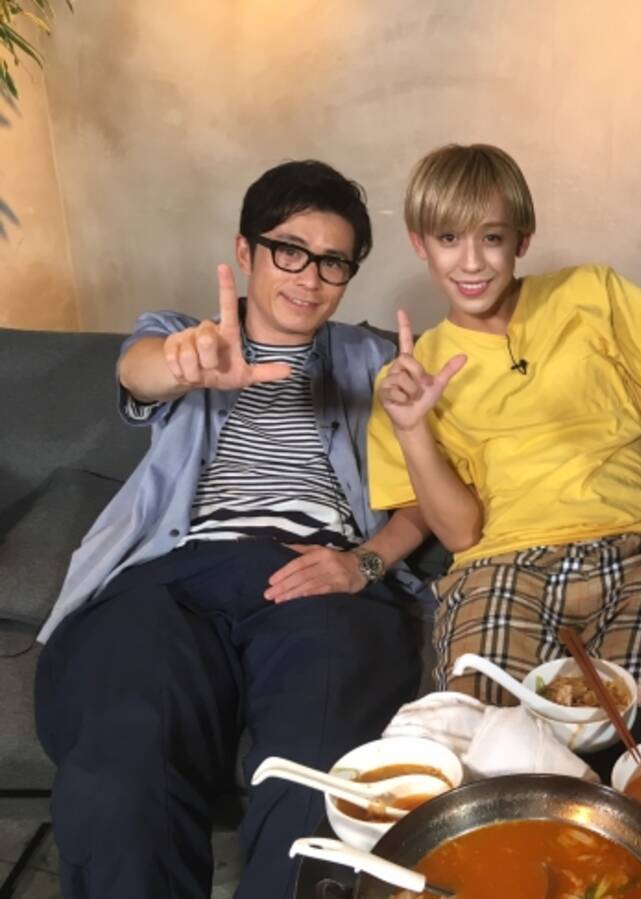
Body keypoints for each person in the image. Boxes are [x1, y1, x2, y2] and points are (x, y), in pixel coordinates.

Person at [34, 160, 425, 899]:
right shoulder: (187, 338)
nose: (309, 278)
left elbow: (429, 494)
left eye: (333, 261)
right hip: (171, 578)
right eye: (289, 251)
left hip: (319, 578)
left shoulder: (375, 360)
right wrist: (181, 365)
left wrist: (366, 564)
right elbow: (139, 371)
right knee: (124, 761)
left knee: (322, 774)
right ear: (246, 252)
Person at [367, 143, 641, 705]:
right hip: (501, 567)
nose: (472, 263)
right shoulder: (408, 378)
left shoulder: (591, 292)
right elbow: (460, 535)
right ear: (420, 243)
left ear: (522, 240)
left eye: (491, 238)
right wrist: (411, 430)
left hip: (638, 547)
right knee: (483, 725)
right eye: (449, 238)